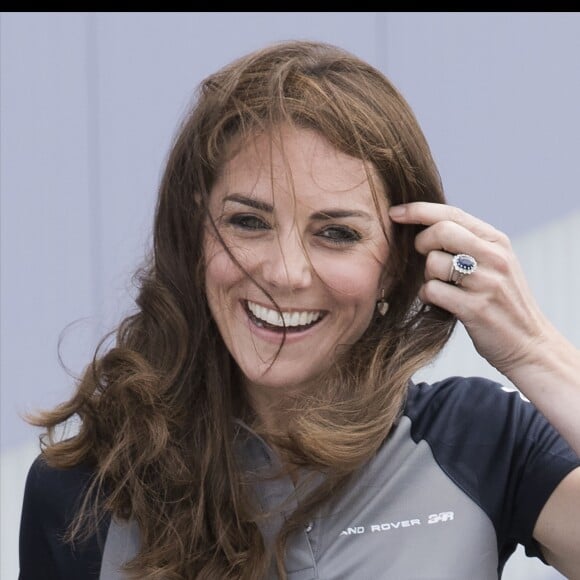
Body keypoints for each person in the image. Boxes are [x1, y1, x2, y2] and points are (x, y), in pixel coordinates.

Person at [18, 39, 580, 580]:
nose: (286, 273)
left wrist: (535, 351)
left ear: (395, 263)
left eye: (336, 233)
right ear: (196, 235)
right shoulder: (82, 490)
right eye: (248, 222)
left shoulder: (480, 439)